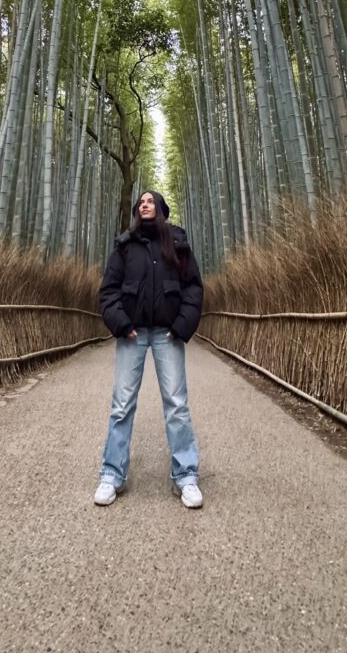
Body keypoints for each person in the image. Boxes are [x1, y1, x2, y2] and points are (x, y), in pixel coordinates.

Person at [94, 189, 204, 509]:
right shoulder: (125, 246)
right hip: (132, 333)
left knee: (176, 404)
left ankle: (186, 476)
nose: (145, 204)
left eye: (150, 201)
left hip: (167, 335)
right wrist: (120, 322)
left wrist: (182, 326)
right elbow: (109, 290)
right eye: (140, 202)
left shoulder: (178, 244)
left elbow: (193, 288)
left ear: (161, 208)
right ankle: (112, 474)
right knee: (122, 405)